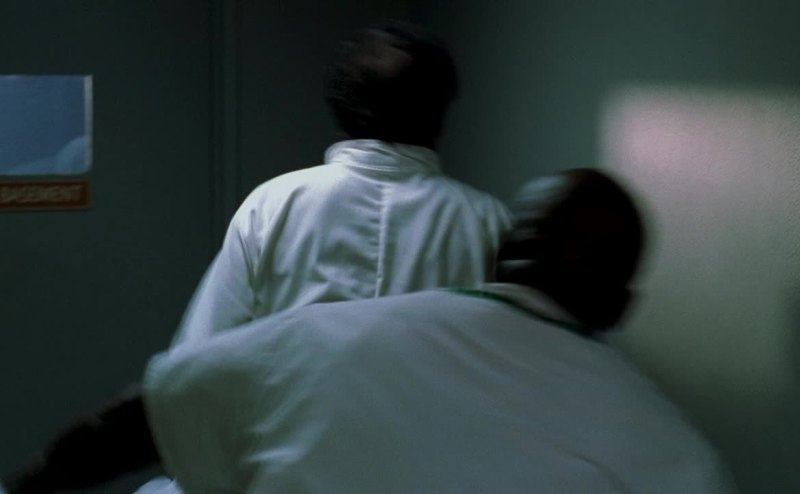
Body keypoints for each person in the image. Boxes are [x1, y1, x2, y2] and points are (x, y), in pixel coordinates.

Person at [6, 169, 737, 493]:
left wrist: (31, 483)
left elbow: (145, 416)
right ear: (618, 307)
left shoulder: (313, 328)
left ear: (501, 252)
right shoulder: (675, 455)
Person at [172, 21, 511, 347]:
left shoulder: (271, 207)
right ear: (441, 114)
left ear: (340, 108)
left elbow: (195, 357)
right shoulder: (489, 223)